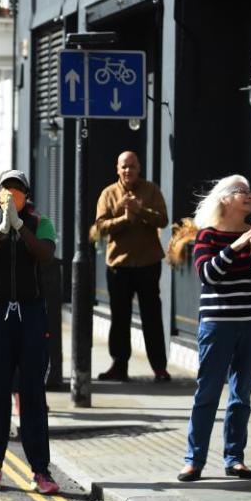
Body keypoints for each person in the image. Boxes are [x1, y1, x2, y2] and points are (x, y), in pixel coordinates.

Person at [0, 169, 59, 494]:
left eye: (18, 190)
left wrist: (20, 228)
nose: (12, 195)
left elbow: (46, 255)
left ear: (26, 195)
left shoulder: (40, 222)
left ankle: (41, 470)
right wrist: (2, 232)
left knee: (33, 392)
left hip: (31, 313)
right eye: (7, 189)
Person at [178, 175, 251, 482]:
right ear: (224, 199)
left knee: (241, 396)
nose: (249, 195)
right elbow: (208, 275)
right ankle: (194, 460)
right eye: (241, 191)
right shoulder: (208, 236)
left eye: (250, 191)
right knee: (208, 393)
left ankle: (234, 458)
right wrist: (236, 246)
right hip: (218, 326)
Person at [94, 151, 171, 382]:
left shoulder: (151, 190)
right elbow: (99, 227)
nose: (128, 171)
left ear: (139, 168)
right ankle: (119, 366)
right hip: (119, 265)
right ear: (117, 169)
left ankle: (159, 367)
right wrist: (124, 217)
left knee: (152, 315)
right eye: (124, 167)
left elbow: (163, 219)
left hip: (148, 263)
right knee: (119, 316)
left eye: (132, 166)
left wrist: (141, 211)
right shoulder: (108, 193)